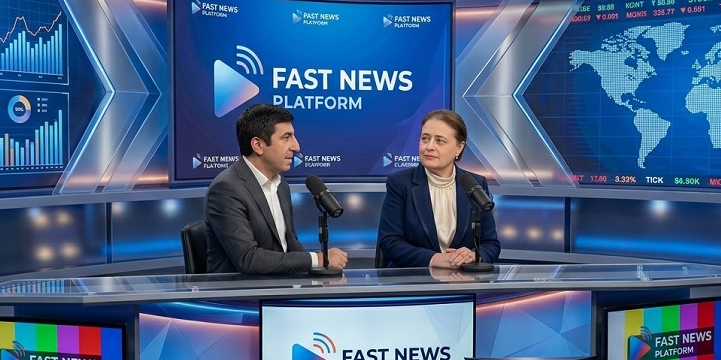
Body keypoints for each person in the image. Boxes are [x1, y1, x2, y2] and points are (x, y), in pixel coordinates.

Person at [205, 103, 348, 274]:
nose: (296, 147)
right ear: (258, 145)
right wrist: (318, 259)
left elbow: (291, 244)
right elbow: (248, 259)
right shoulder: (226, 189)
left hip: (280, 283)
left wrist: (319, 270)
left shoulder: (281, 184)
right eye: (286, 137)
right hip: (241, 289)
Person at [377, 109, 501, 268]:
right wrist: (435, 259)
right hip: (413, 277)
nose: (429, 146)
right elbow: (389, 242)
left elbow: (491, 244)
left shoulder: (475, 183)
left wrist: (474, 255)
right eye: (425, 138)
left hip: (463, 278)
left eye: (439, 141)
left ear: (459, 148)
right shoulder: (400, 183)